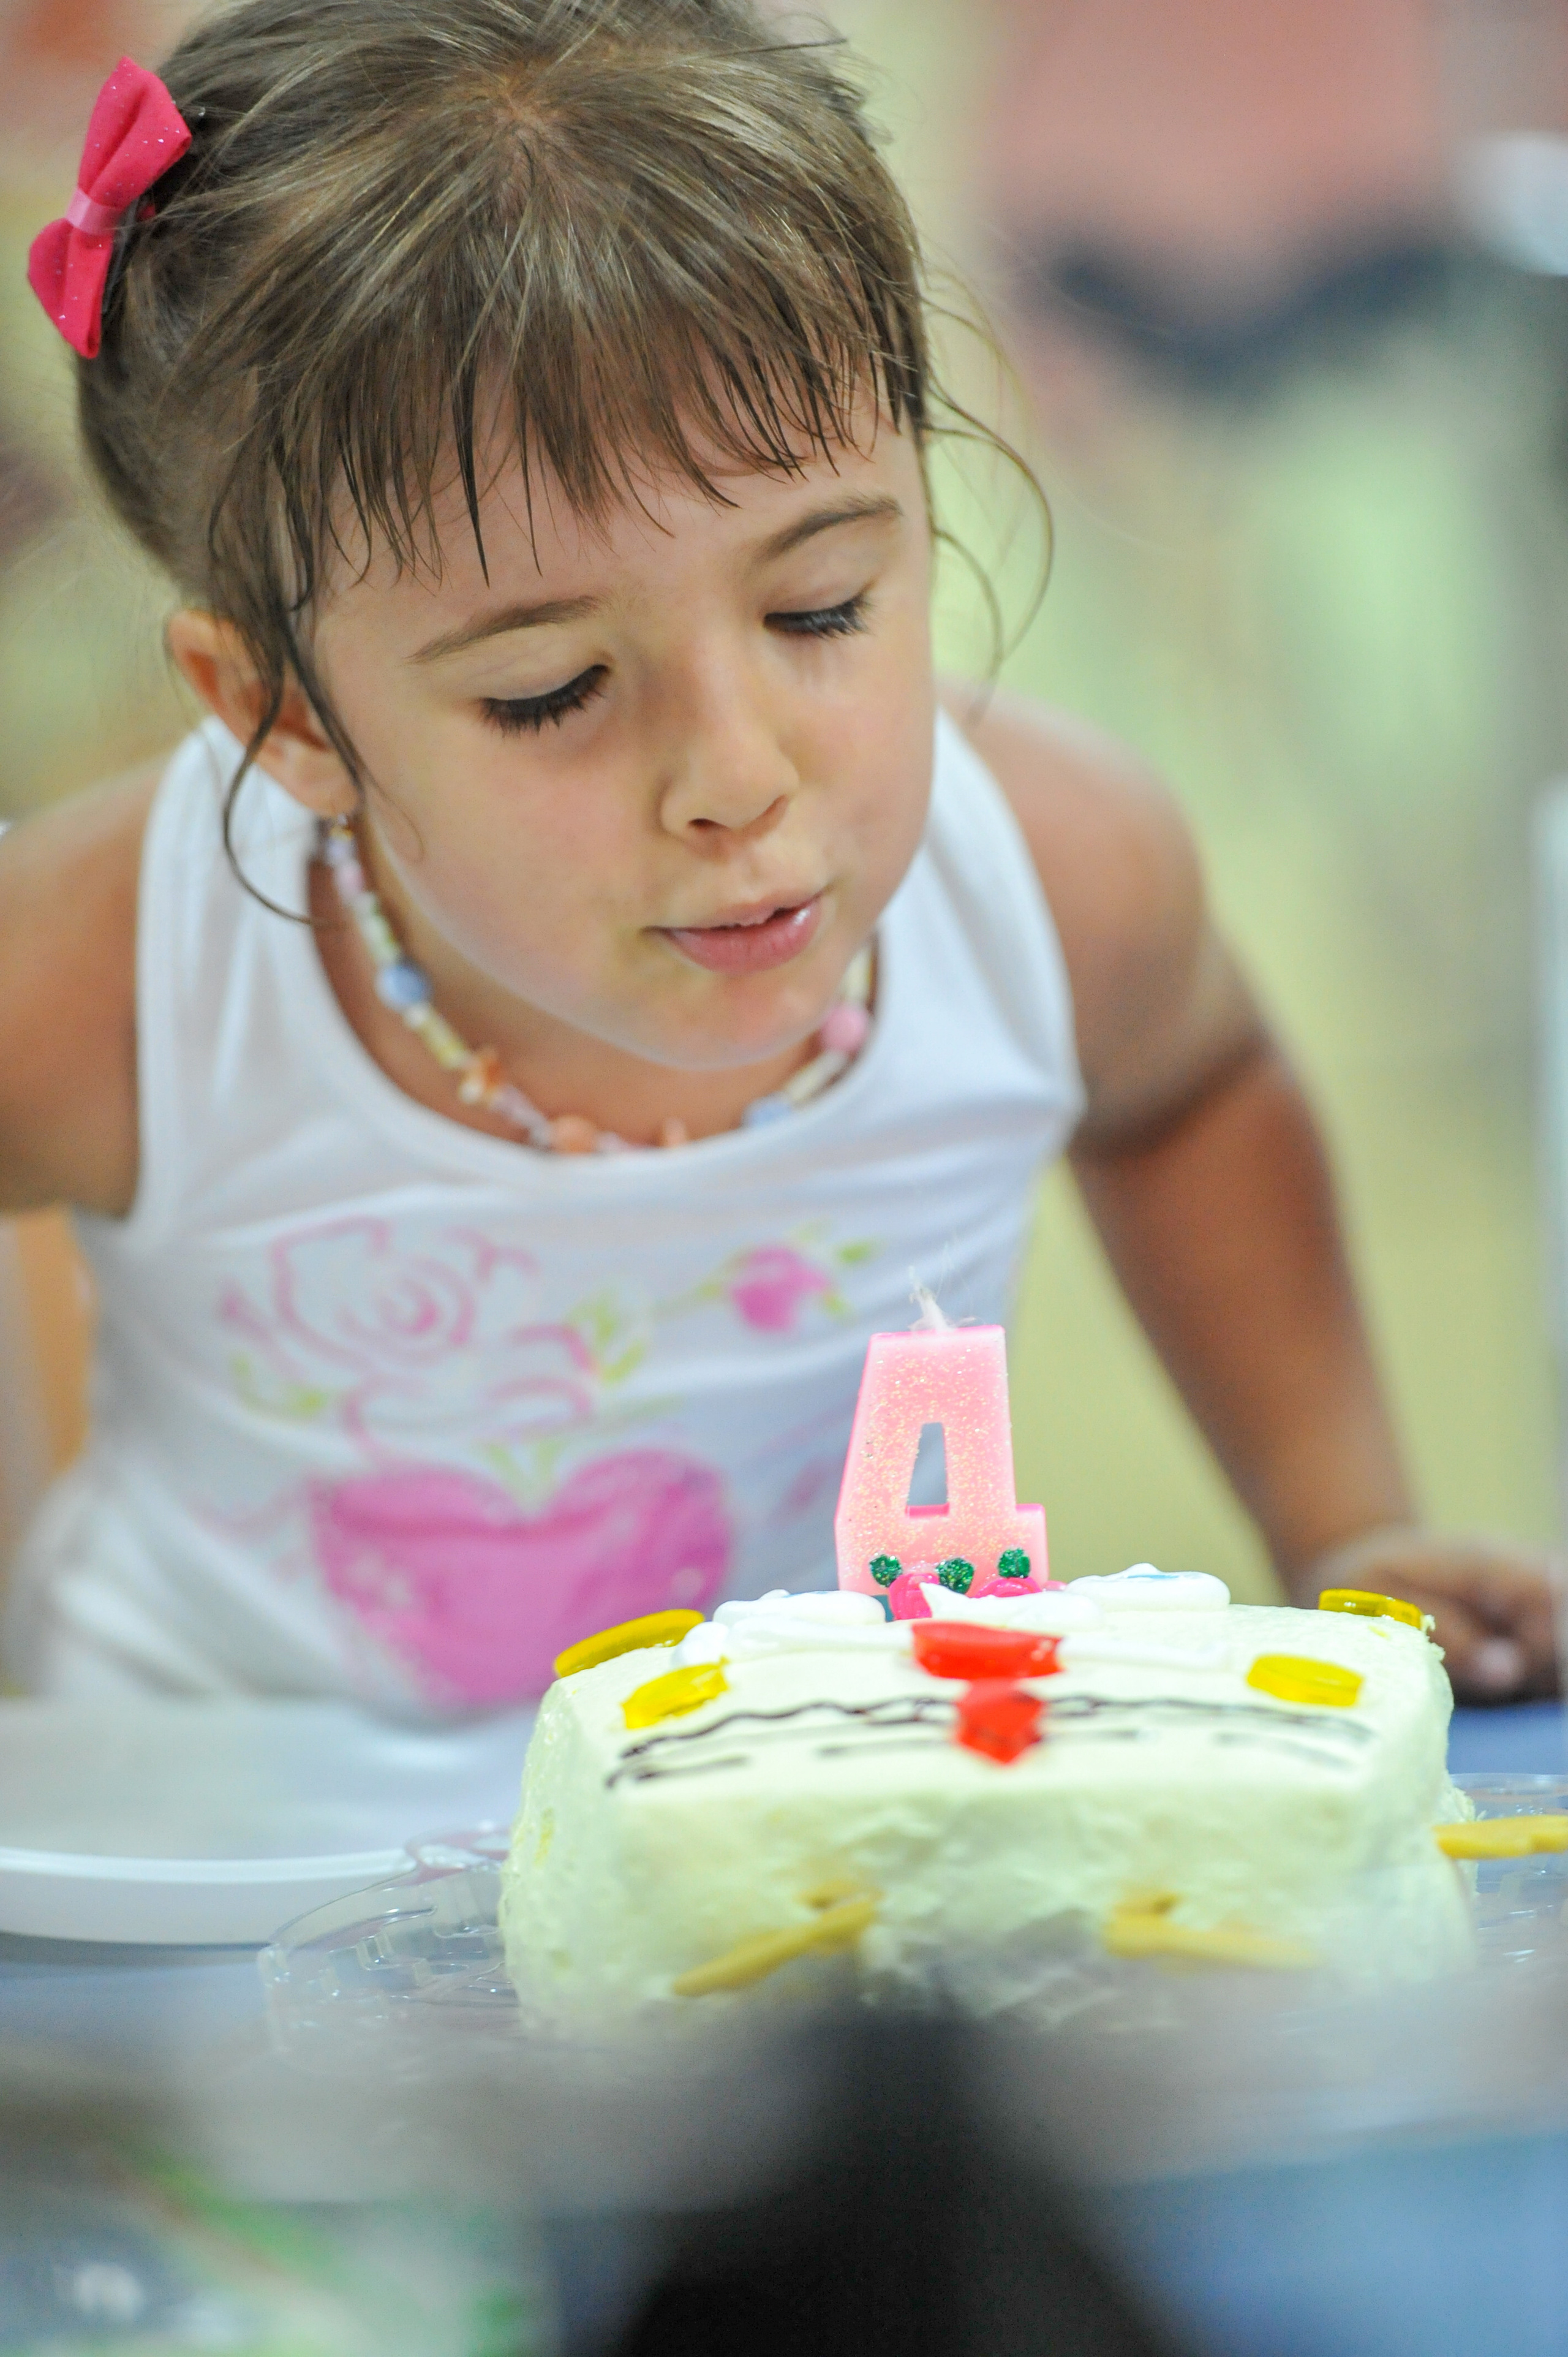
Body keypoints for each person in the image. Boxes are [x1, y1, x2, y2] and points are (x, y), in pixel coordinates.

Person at [0, 0, 1554, 1711]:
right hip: (228, 1870)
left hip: (791, 1836)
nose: (738, 778)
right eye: (553, 690)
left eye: (822, 605)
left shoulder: (1050, 871)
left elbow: (1189, 1087)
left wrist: (1340, 1531)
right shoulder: (121, 967)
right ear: (276, 713)